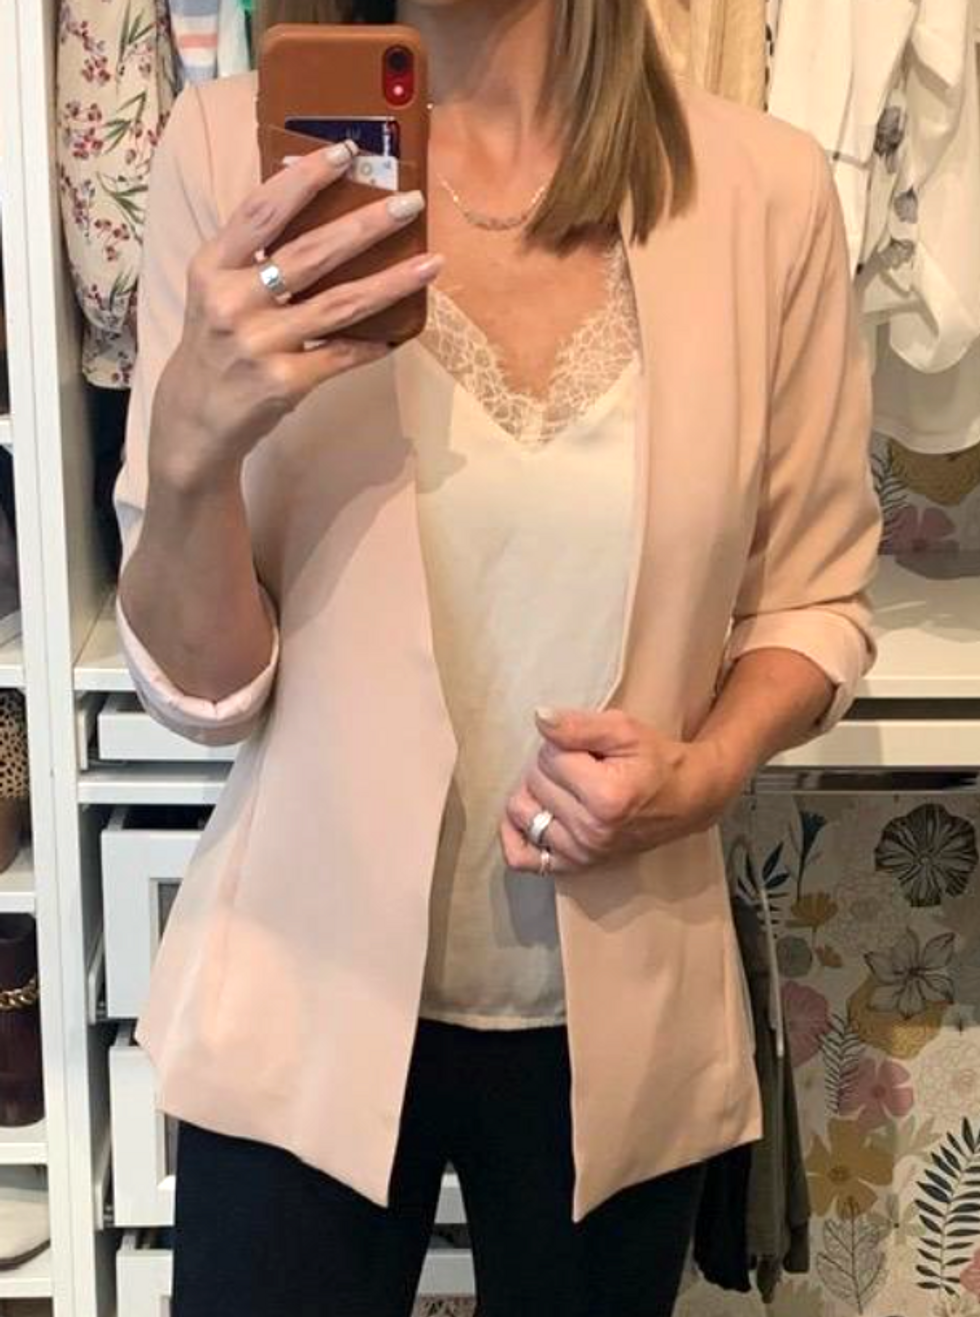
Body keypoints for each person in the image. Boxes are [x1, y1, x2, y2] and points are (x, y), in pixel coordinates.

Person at [113, 0, 882, 1313]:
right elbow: (205, 696)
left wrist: (704, 774)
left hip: (621, 995)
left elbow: (813, 601)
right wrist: (189, 450)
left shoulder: (764, 192)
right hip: (304, 987)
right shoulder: (231, 157)